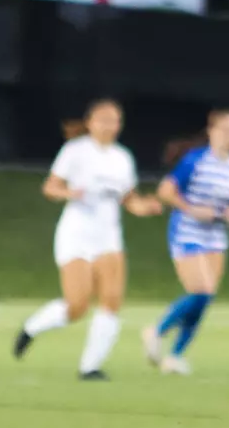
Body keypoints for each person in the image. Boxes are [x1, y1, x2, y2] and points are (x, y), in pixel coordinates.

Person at [13, 99, 163, 380]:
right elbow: (50, 187)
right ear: (90, 122)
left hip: (109, 238)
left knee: (112, 300)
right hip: (76, 235)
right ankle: (31, 328)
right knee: (77, 305)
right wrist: (70, 193)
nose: (110, 126)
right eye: (103, 119)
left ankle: (90, 367)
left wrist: (147, 207)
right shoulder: (75, 151)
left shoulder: (122, 158)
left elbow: (129, 200)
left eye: (115, 120)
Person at [142, 110, 229, 374]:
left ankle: (175, 356)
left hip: (216, 236)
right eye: (224, 129)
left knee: (205, 297)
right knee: (201, 289)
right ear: (211, 131)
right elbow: (166, 191)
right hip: (187, 231)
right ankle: (157, 330)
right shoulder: (196, 160)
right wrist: (190, 208)